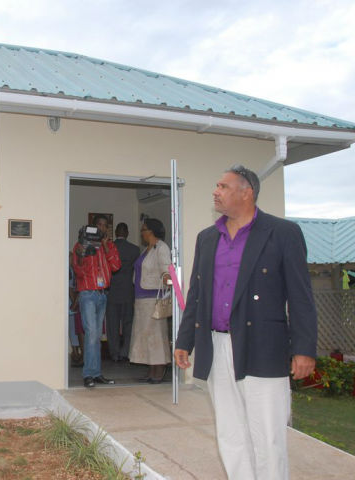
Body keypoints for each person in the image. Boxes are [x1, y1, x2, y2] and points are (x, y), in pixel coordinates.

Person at [174, 164, 317, 480]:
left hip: (263, 347)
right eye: (217, 186)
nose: (216, 191)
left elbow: (301, 296)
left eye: (223, 186)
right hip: (216, 343)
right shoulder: (208, 238)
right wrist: (185, 340)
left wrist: (304, 349)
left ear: (246, 191)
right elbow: (197, 292)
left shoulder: (282, 233)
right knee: (230, 430)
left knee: (267, 432)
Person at [72, 214, 121, 388]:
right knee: (91, 333)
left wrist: (107, 247)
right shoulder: (81, 245)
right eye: (99, 224)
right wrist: (79, 255)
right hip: (88, 293)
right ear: (92, 226)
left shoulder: (110, 246)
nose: (102, 228)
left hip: (102, 295)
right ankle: (88, 374)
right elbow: (77, 272)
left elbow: (116, 266)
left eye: (105, 225)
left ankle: (96, 373)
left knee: (97, 335)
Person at [129, 217, 172, 383]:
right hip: (141, 298)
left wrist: (170, 283)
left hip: (154, 298)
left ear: (152, 231)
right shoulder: (146, 249)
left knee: (156, 335)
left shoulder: (161, 248)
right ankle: (151, 369)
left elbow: (166, 270)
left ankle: (159, 369)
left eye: (144, 229)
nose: (141, 232)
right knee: (145, 336)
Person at [105, 223, 140, 362]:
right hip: (127, 290)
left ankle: (114, 353)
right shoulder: (135, 250)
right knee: (128, 323)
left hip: (112, 290)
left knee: (112, 325)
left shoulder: (109, 248)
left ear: (115, 232)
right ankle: (125, 352)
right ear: (127, 233)